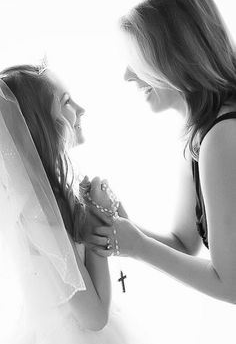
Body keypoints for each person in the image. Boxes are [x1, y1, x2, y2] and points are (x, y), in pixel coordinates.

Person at [86, 0, 236, 305]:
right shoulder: (199, 136)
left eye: (136, 58)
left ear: (175, 56)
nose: (127, 75)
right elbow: (183, 244)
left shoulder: (223, 136)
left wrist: (138, 246)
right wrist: (124, 227)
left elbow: (232, 284)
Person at [0, 65, 146, 344]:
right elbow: (94, 318)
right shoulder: (37, 211)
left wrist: (102, 210)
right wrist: (97, 217)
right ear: (39, 122)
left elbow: (126, 239)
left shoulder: (57, 191)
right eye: (66, 102)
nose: (81, 109)